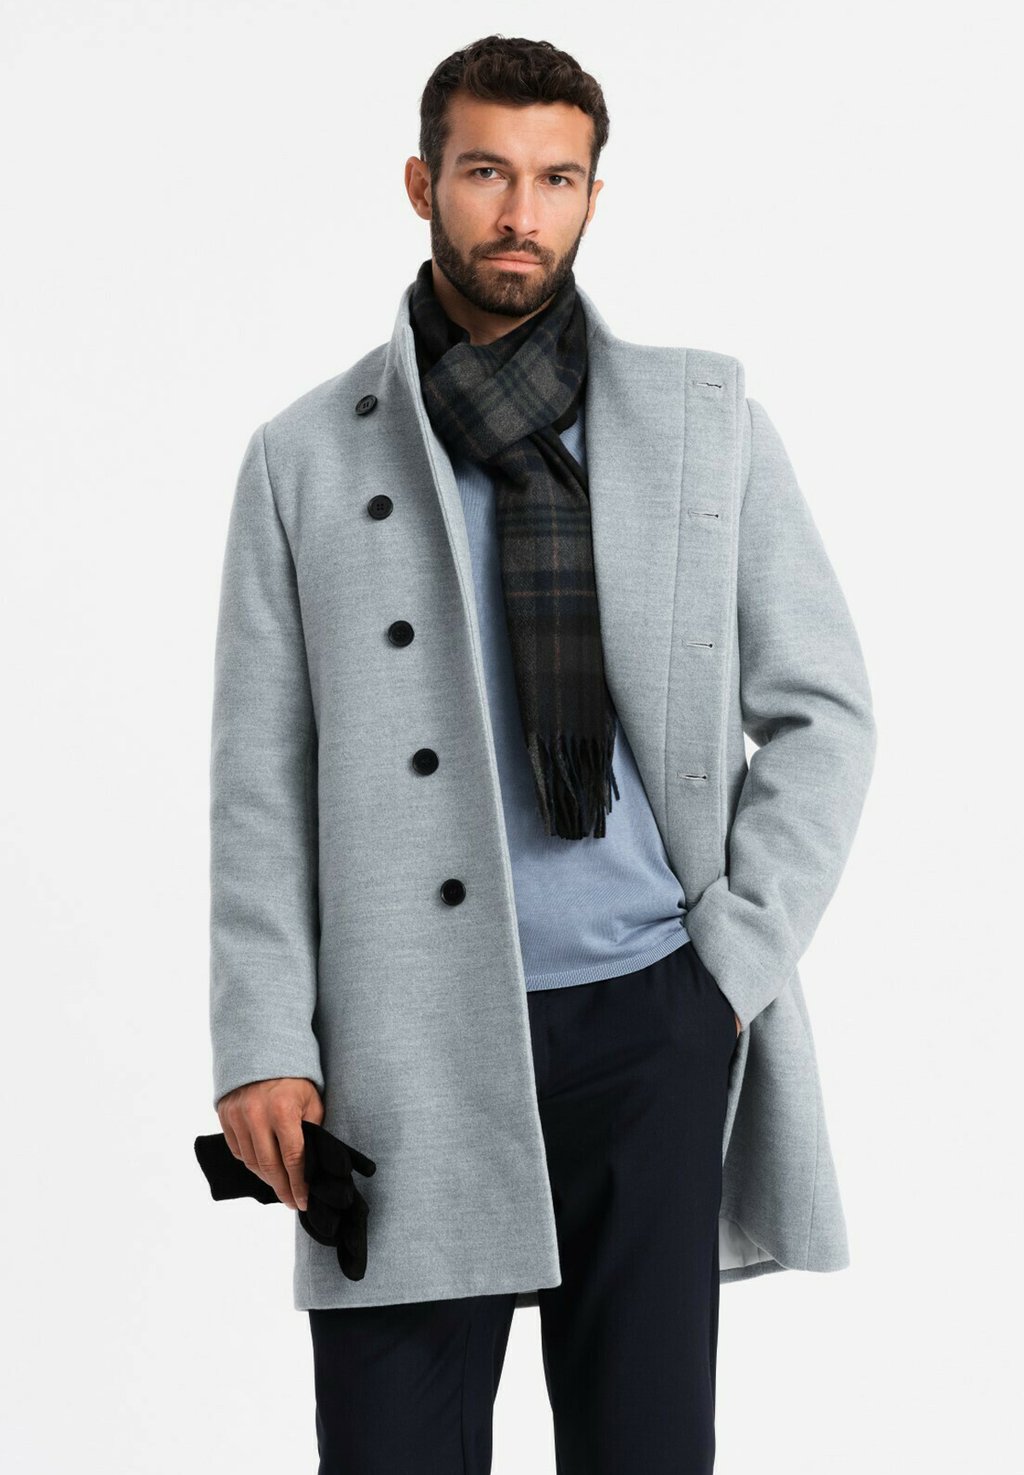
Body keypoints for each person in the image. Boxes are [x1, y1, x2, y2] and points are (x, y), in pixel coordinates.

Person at [208, 34, 877, 1475]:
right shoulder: (307, 456)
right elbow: (261, 782)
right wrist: (262, 1041)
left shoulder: (702, 422)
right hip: (404, 1045)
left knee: (645, 1451)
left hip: (651, 1023)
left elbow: (822, 711)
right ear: (423, 185)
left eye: (556, 179)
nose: (521, 213)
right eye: (486, 173)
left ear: (591, 196)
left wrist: (729, 969)